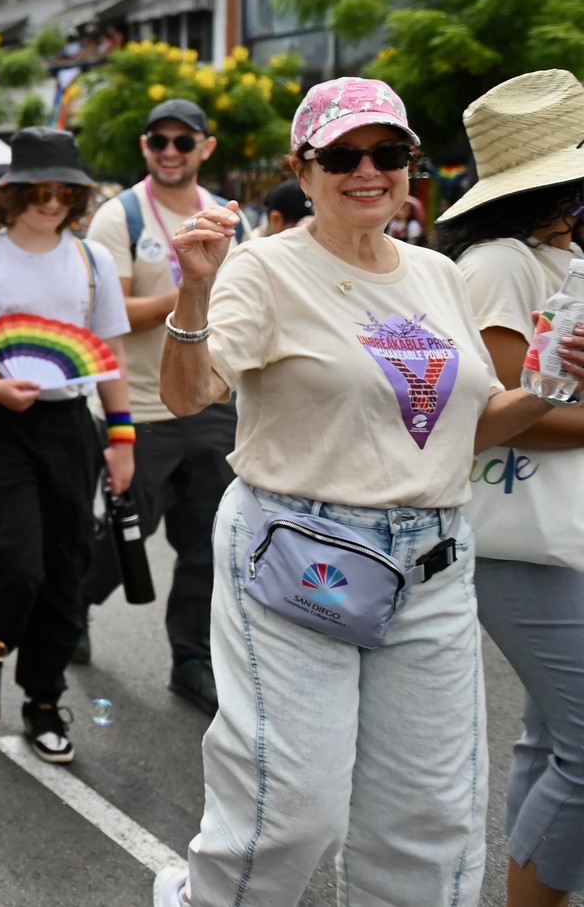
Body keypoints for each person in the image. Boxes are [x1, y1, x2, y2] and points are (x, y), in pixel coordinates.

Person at [153, 77, 582, 907]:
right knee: (290, 810)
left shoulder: (436, 273)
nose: (368, 170)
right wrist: (195, 288)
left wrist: (548, 389)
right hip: (298, 552)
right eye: (343, 154)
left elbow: (463, 425)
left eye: (388, 153)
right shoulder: (265, 268)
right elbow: (187, 393)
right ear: (302, 168)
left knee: (429, 827)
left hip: (431, 560)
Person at [0, 128, 132, 765]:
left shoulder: (92, 261)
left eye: (64, 191)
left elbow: (112, 357)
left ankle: (43, 697)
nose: (52, 202)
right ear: (13, 192)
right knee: (17, 559)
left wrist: (122, 438)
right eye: (39, 189)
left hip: (72, 423)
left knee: (68, 565)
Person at [436, 70, 584, 907]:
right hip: (516, 537)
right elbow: (505, 413)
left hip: (554, 530)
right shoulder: (498, 264)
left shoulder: (553, 254)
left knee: (550, 736)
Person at [77, 98, 233, 714]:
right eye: (159, 140)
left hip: (211, 401)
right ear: (145, 147)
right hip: (138, 408)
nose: (171, 151)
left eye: (183, 141)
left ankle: (191, 658)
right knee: (125, 538)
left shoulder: (225, 218)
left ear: (205, 148)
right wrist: (192, 287)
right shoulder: (121, 217)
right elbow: (108, 313)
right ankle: (74, 605)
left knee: (210, 542)